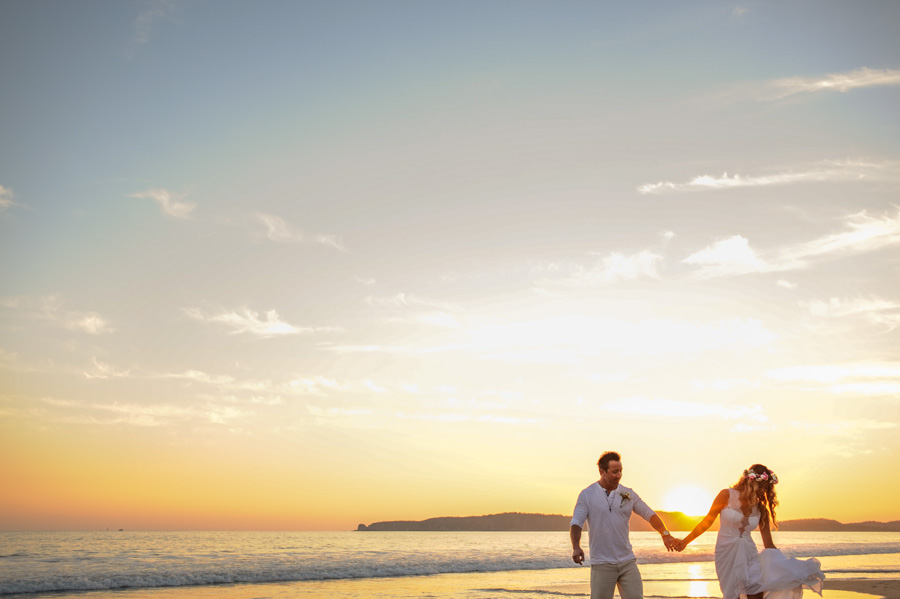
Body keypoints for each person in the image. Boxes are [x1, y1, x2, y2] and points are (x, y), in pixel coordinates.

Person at [674, 464, 824, 599]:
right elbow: (706, 523)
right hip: (726, 553)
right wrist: (685, 541)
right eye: (763, 486)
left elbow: (769, 544)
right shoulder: (726, 495)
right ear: (752, 482)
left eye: (767, 488)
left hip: (749, 553)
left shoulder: (760, 509)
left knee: (755, 590)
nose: (765, 491)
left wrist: (786, 567)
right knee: (732, 594)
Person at [571, 451, 678, 599]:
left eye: (621, 471)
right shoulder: (587, 495)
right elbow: (576, 523)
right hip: (602, 563)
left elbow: (649, 514)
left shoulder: (628, 494)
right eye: (615, 472)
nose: (619, 475)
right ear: (602, 472)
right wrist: (576, 546)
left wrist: (665, 534)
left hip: (627, 562)